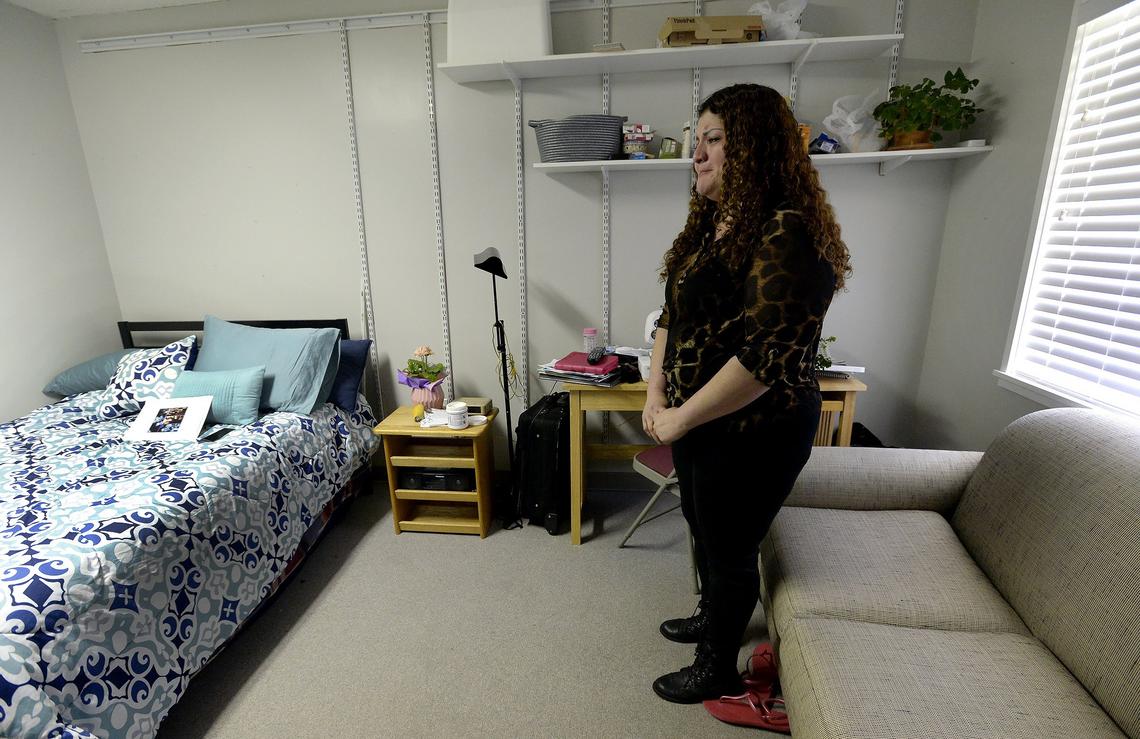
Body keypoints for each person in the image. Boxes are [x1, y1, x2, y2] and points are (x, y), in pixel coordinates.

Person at [642, 83, 851, 704]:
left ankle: (717, 667)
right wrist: (657, 393)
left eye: (713, 141)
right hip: (696, 418)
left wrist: (679, 418)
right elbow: (670, 317)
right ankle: (714, 616)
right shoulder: (712, 222)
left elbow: (765, 359)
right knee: (702, 525)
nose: (696, 154)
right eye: (696, 140)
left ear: (755, 148)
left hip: (757, 426)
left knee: (731, 545)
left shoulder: (788, 229)